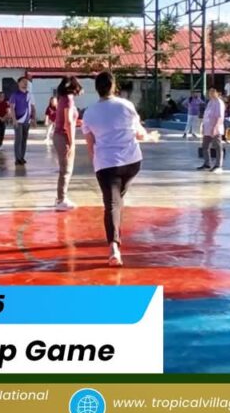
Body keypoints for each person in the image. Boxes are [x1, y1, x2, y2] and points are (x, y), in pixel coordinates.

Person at [81, 71, 160, 268]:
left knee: (112, 205)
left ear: (96, 89)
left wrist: (95, 164)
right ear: (113, 86)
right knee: (117, 201)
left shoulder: (89, 113)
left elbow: (90, 143)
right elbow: (139, 133)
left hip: (107, 165)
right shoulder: (126, 106)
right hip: (132, 163)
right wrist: (150, 136)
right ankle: (116, 235)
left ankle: (114, 248)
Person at [53, 77, 82, 211]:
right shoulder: (68, 99)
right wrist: (71, 142)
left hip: (60, 136)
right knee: (66, 169)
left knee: (64, 168)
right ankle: (61, 200)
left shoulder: (63, 99)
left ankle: (60, 197)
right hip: (63, 137)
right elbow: (68, 122)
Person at [197, 87, 226, 173]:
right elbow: (206, 115)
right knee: (205, 146)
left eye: (213, 91)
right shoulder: (210, 102)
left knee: (217, 146)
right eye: (210, 92)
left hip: (215, 128)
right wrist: (203, 126)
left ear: (218, 93)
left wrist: (215, 127)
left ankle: (218, 165)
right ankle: (207, 163)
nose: (211, 93)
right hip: (207, 127)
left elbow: (219, 117)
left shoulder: (219, 103)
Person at [8, 77, 36, 165]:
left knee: (24, 140)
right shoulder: (15, 95)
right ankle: (17, 158)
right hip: (18, 120)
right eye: (23, 82)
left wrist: (34, 119)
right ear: (18, 83)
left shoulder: (30, 95)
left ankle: (22, 157)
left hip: (27, 121)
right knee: (18, 139)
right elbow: (12, 108)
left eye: (26, 82)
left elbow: (33, 107)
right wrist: (14, 119)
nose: (25, 83)